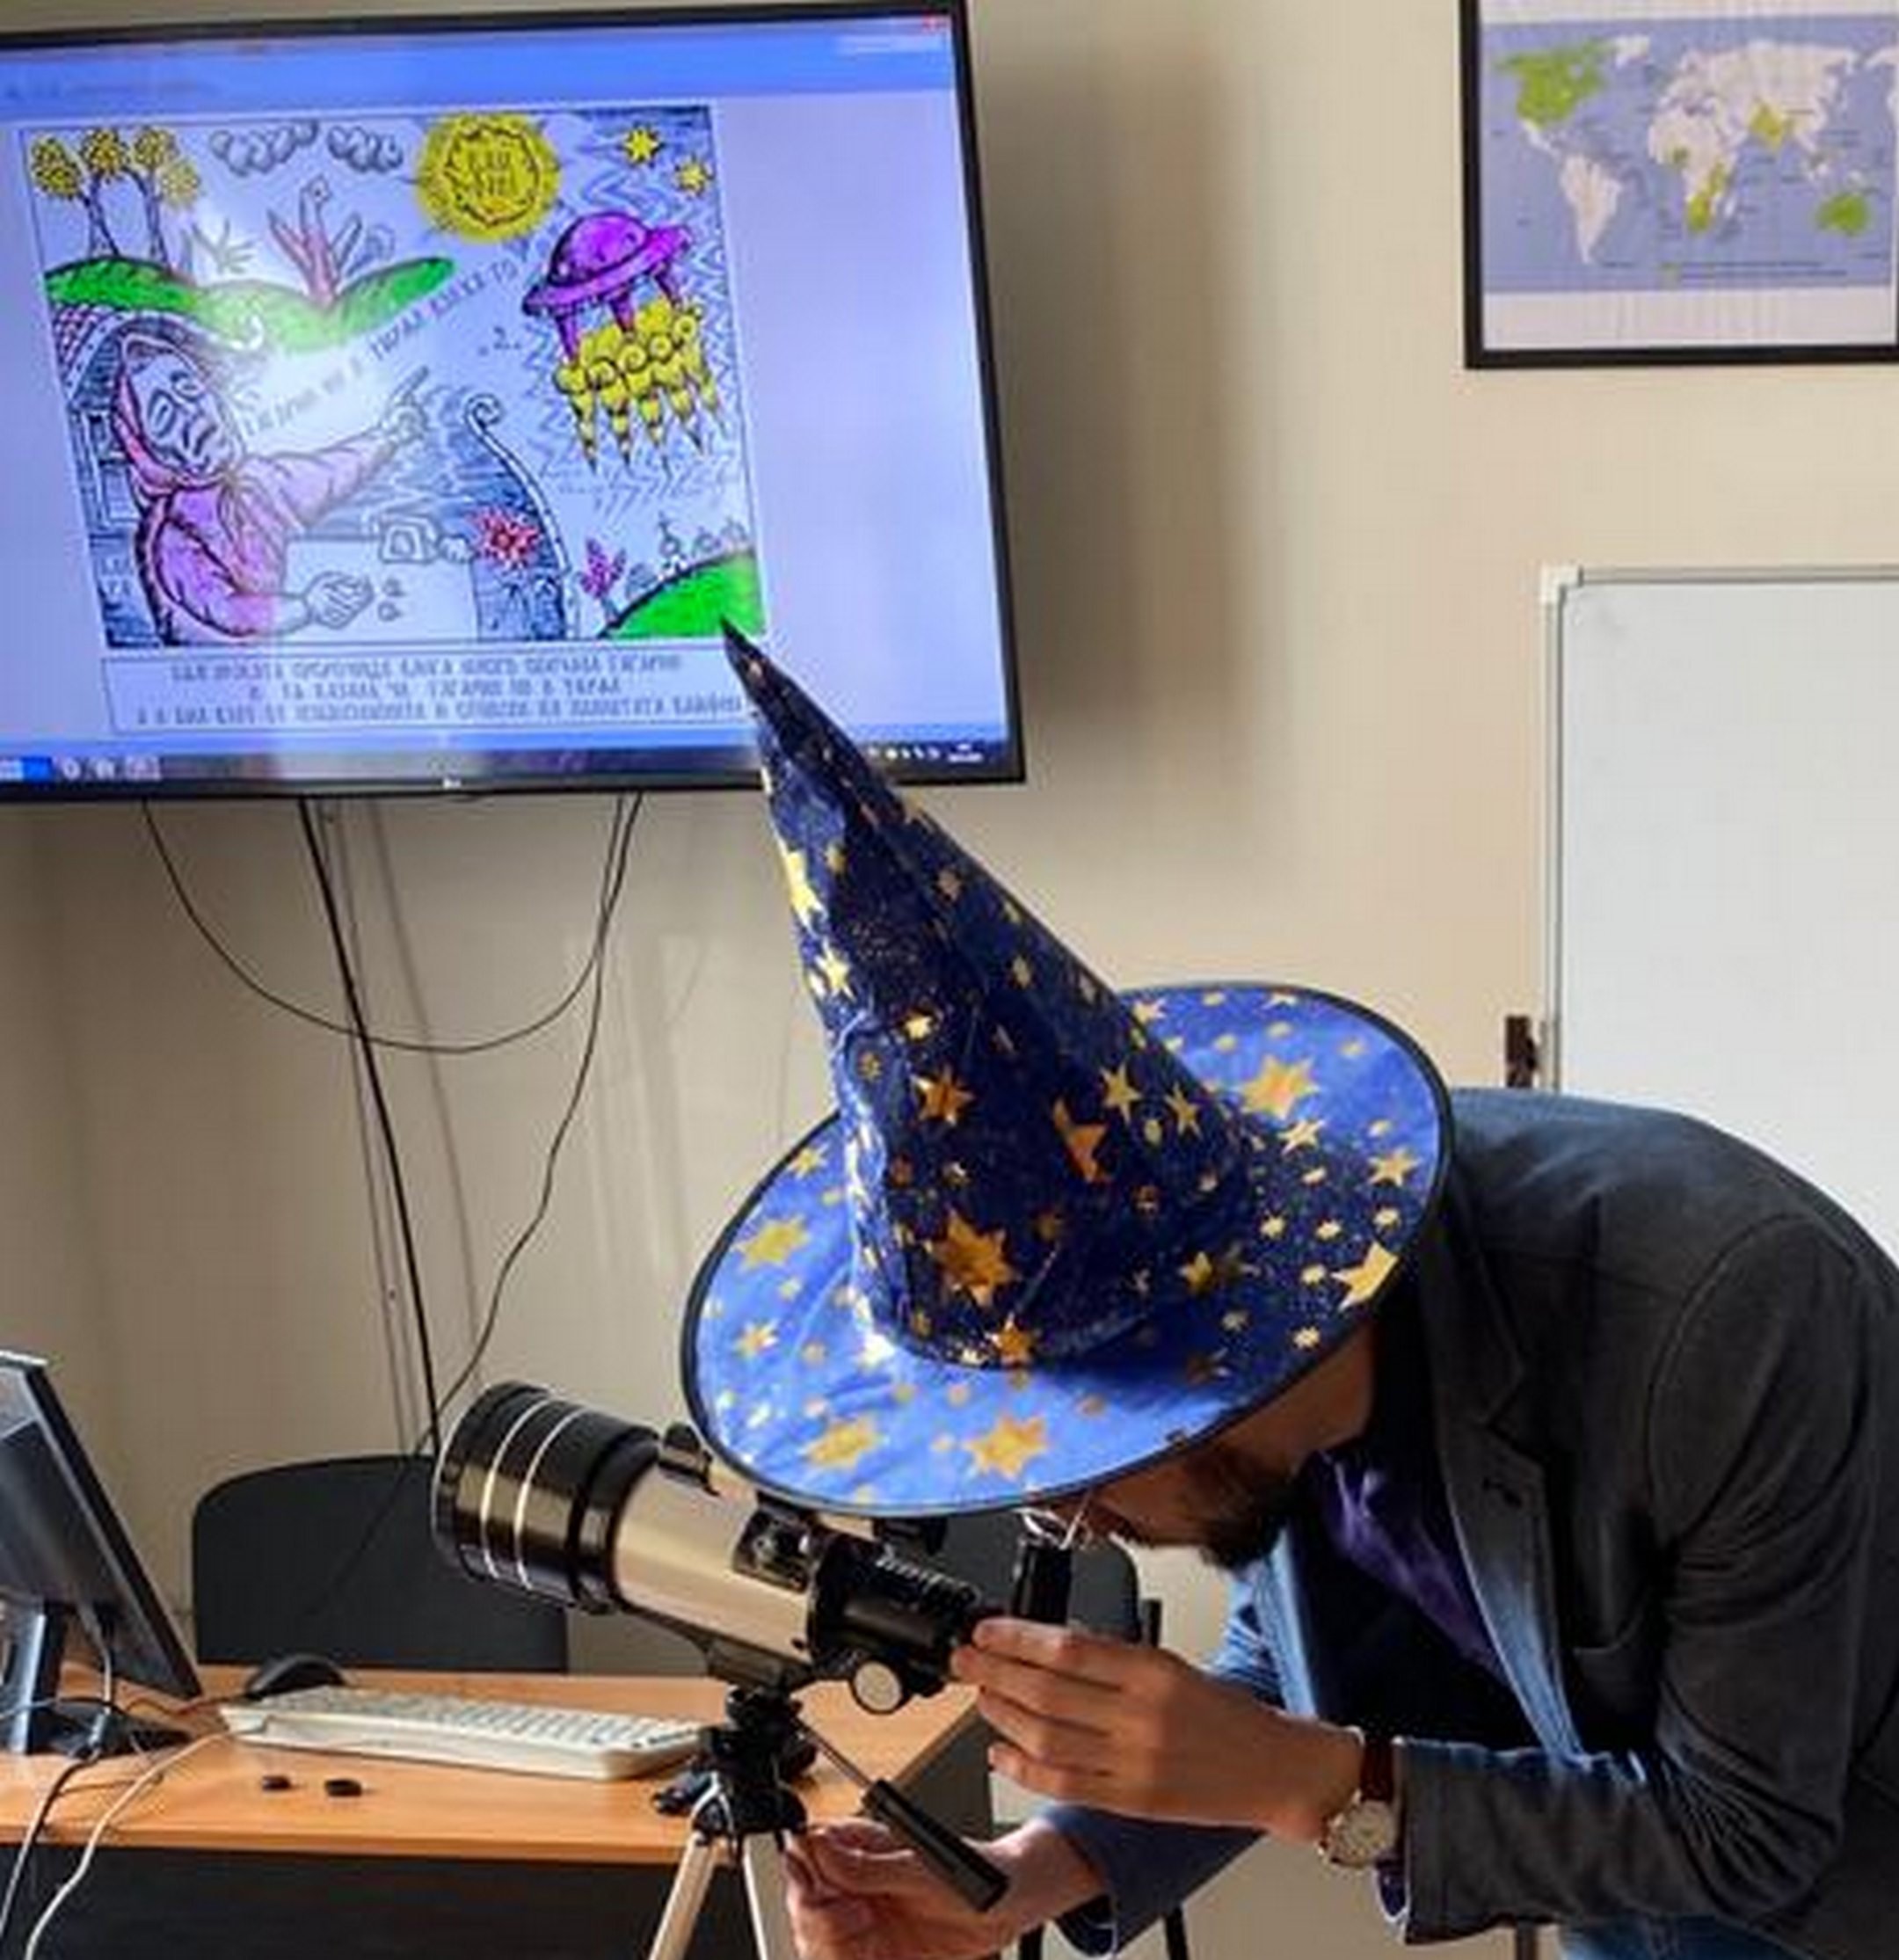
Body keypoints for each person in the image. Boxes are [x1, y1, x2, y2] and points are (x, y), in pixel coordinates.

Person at [683, 630, 1899, 1960]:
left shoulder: (1725, 1322)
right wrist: (1036, 1869)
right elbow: (1286, 1674)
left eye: (1082, 1453)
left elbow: (1748, 1835)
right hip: (1632, 1889)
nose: (1065, 1516)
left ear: (1216, 1360)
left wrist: (1309, 1784)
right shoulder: (1269, 1356)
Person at [111, 332, 426, 643]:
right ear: (154, 456)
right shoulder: (174, 536)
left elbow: (327, 474)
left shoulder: (257, 479)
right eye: (165, 416)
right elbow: (230, 610)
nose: (191, 412)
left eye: (190, 389)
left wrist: (389, 436)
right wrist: (306, 607)